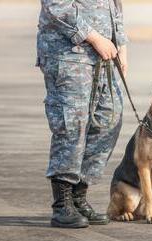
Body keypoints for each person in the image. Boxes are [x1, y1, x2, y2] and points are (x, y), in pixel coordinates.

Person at [36, 0, 128, 228]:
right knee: (72, 124)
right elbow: (56, 5)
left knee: (110, 118)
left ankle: (79, 195)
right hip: (69, 55)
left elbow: (114, 5)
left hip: (105, 56)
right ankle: (62, 203)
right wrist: (95, 38)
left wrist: (122, 44)